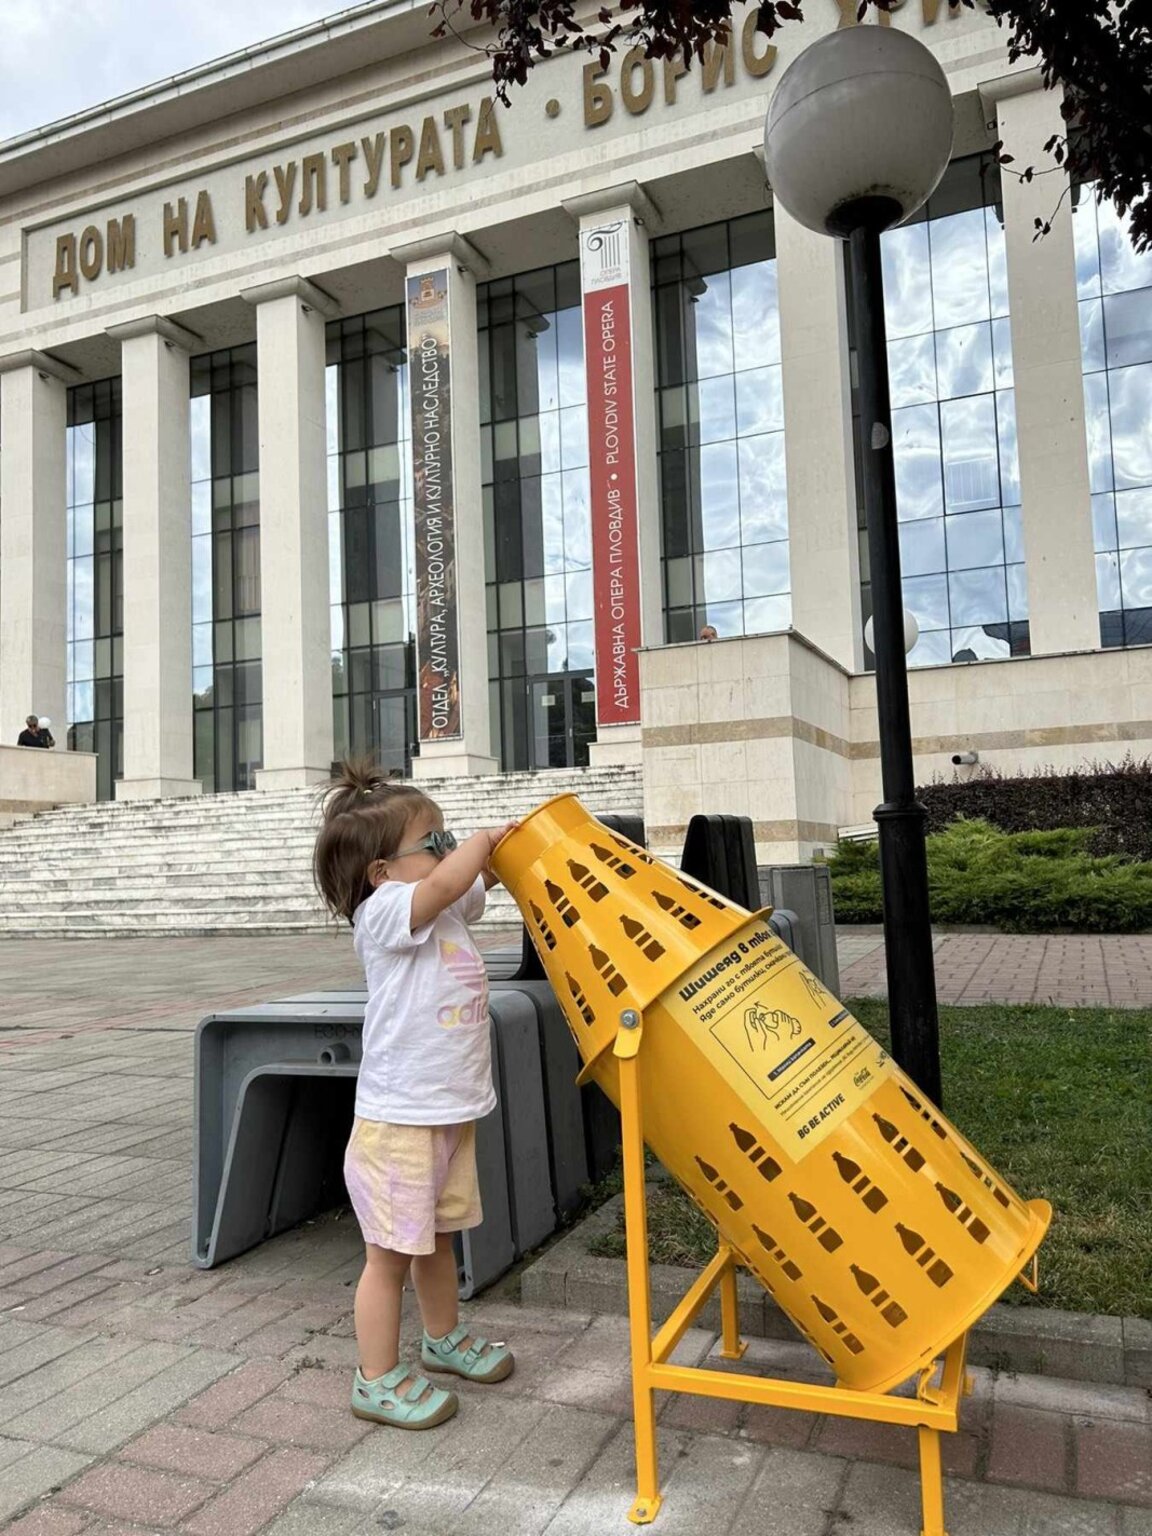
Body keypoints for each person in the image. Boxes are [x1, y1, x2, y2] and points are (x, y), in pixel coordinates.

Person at [313, 759, 518, 1431]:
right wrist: (480, 840)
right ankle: (374, 1377)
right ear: (381, 871)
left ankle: (441, 1338)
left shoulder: (435, 897)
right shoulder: (385, 912)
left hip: (447, 1110)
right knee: (389, 1258)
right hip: (399, 1120)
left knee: (436, 1241)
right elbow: (458, 875)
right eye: (432, 841)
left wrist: (499, 854)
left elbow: (471, 883)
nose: (445, 848)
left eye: (446, 836)